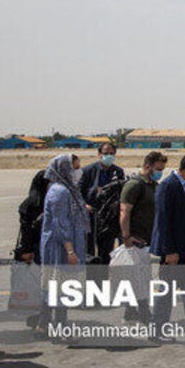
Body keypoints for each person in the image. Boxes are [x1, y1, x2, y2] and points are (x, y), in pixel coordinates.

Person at [150, 151, 185, 341]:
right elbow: (163, 221)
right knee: (166, 293)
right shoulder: (168, 186)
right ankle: (157, 330)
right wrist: (169, 251)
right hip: (174, 250)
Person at [35, 154, 87, 338]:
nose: (78, 171)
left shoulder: (65, 189)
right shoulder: (60, 192)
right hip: (61, 247)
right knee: (61, 287)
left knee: (53, 285)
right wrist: (70, 250)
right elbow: (59, 223)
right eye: (75, 168)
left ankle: (43, 325)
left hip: (63, 245)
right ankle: (61, 329)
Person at [118, 151, 166, 323]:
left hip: (147, 239)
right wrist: (126, 238)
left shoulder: (153, 185)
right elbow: (125, 211)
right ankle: (144, 313)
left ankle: (131, 311)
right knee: (140, 278)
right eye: (158, 168)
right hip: (135, 240)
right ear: (148, 166)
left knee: (139, 277)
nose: (161, 172)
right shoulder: (134, 185)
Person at [78, 142, 125, 263]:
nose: (108, 156)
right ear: (99, 154)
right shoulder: (87, 171)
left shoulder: (118, 172)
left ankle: (103, 277)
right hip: (91, 215)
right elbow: (77, 193)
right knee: (89, 249)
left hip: (108, 218)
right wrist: (84, 205)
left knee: (106, 250)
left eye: (111, 154)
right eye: (105, 153)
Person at [14, 169, 50, 265]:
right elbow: (26, 230)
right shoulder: (31, 205)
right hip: (36, 249)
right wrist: (27, 250)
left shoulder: (49, 201)